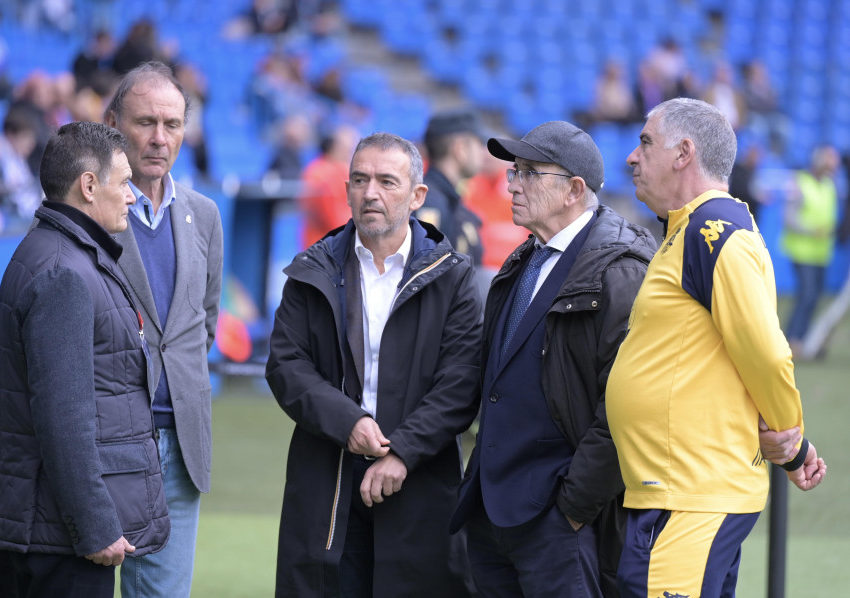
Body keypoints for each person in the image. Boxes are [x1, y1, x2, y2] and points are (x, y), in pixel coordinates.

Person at [607, 97, 827, 598]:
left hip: (693, 492)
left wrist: (788, 438)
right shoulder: (689, 230)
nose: (631, 157)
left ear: (684, 153)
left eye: (645, 143)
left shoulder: (715, 231)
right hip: (678, 488)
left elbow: (765, 352)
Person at [266, 132, 482, 597]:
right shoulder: (311, 269)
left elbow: (461, 383)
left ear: (417, 196)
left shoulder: (454, 276)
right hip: (327, 480)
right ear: (346, 190)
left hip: (421, 484)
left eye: (387, 181)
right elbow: (286, 366)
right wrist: (350, 423)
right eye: (360, 180)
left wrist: (402, 452)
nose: (371, 193)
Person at [449, 120, 658, 597]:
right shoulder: (527, 257)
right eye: (513, 172)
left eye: (528, 172)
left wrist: (572, 507)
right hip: (494, 512)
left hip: (558, 522)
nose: (513, 184)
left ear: (574, 190)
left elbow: (628, 408)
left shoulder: (621, 271)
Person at [0, 121, 169, 597]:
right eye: (124, 182)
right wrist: (94, 525)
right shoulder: (64, 272)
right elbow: (63, 417)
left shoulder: (65, 254)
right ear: (89, 187)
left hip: (57, 527)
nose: (133, 196)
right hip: (65, 538)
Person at [103, 61, 224, 598]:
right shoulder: (78, 212)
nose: (159, 138)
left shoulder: (205, 214)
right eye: (145, 122)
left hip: (180, 449)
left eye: (172, 124)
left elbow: (203, 325)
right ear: (113, 125)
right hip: (103, 445)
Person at [781, 144, 841, 354]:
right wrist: (811, 231)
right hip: (801, 250)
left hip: (821, 253)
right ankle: (791, 338)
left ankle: (802, 339)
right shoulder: (800, 182)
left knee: (814, 297)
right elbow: (789, 218)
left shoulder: (830, 185)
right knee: (806, 295)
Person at [414, 109, 486, 268]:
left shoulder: (448, 200)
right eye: (479, 144)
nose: (483, 152)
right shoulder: (431, 203)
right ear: (460, 149)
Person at [298, 123, 358, 248]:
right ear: (334, 147)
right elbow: (331, 219)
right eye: (348, 148)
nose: (351, 153)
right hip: (323, 247)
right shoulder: (318, 172)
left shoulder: (344, 170)